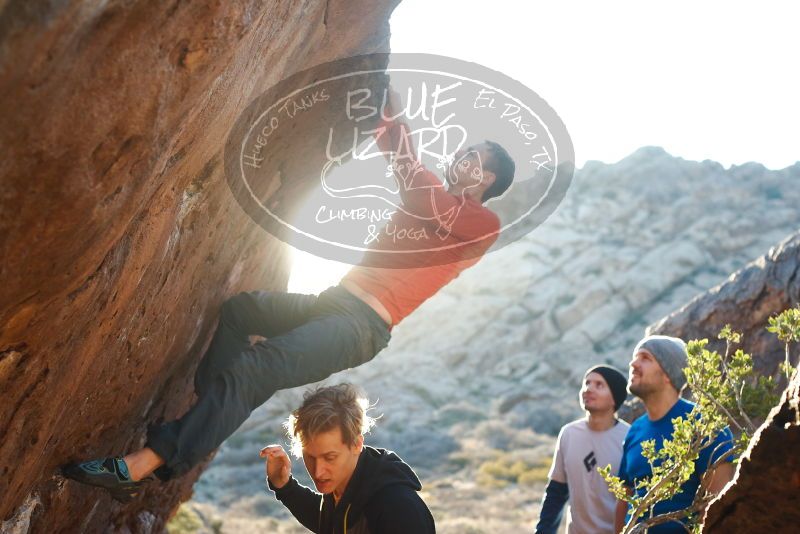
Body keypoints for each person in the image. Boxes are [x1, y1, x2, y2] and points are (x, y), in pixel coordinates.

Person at [62, 88, 515, 501]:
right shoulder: (434, 194)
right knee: (241, 312)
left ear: (487, 179)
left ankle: (138, 468)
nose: (462, 154)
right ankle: (210, 412)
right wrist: (386, 106)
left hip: (359, 326)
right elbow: (403, 164)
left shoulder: (480, 226)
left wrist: (398, 124)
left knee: (257, 367)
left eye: (474, 155)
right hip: (333, 302)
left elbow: (417, 187)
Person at [260, 383, 435, 533]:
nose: (318, 472)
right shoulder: (342, 489)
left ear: (357, 444)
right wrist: (284, 486)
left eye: (330, 457)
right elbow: (329, 520)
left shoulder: (398, 510)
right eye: (310, 457)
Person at [614, 335, 735, 534]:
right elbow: (623, 500)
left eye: (645, 358)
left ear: (667, 374)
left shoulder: (704, 424)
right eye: (635, 357)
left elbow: (718, 503)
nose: (633, 363)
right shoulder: (635, 430)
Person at [536, 365, 630, 534]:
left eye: (599, 385)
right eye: (586, 383)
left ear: (614, 398)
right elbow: (556, 494)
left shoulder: (629, 437)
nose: (588, 389)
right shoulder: (569, 434)